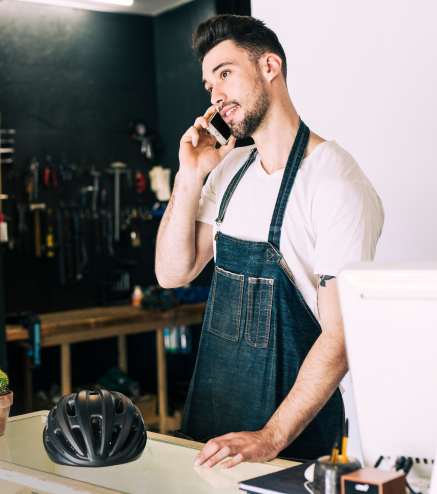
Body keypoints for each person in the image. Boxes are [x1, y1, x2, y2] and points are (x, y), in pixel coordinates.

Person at [155, 15, 384, 468]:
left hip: (293, 441)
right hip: (213, 425)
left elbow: (340, 338)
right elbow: (171, 272)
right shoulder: (228, 171)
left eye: (225, 73)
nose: (216, 95)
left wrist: (269, 437)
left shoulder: (335, 181)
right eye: (209, 85)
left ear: (269, 67)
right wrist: (190, 174)